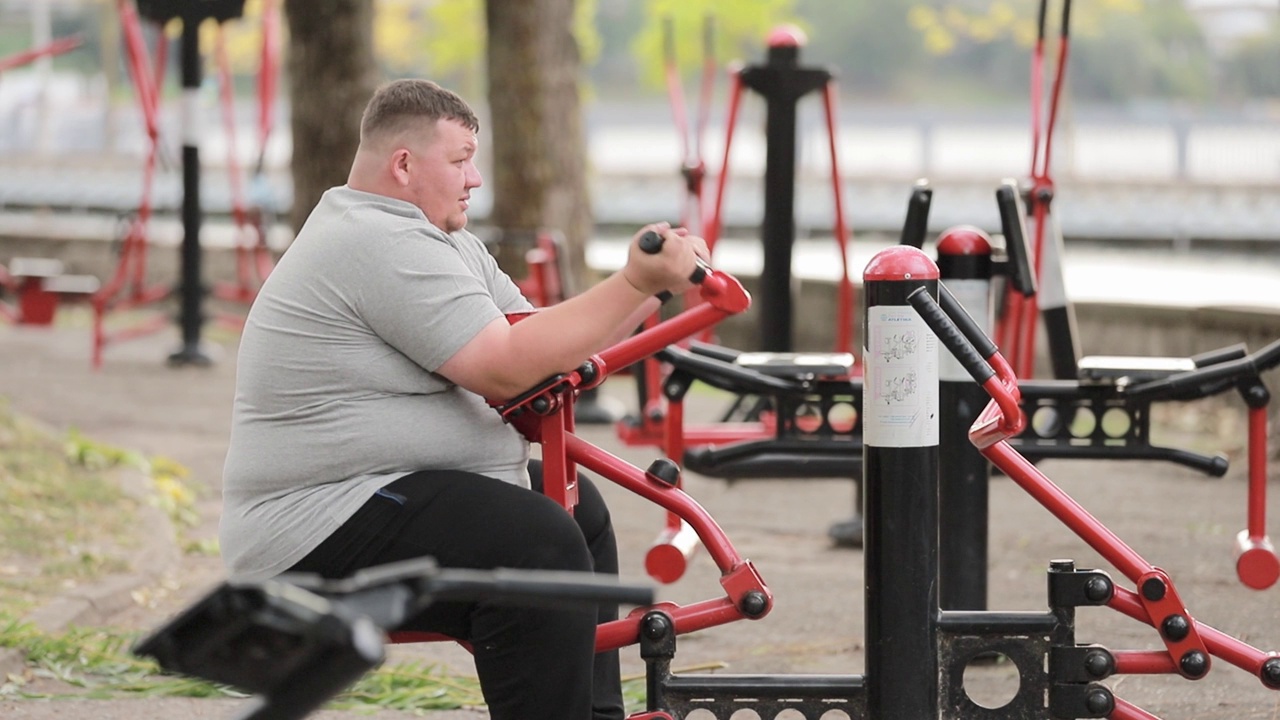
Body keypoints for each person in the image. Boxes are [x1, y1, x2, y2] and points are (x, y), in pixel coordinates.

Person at [219, 78, 707, 720]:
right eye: (460, 160)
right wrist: (635, 279)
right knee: (535, 542)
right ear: (403, 164)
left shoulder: (443, 242)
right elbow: (506, 371)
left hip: (377, 490)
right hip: (315, 523)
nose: (475, 178)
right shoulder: (374, 239)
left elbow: (541, 344)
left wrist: (653, 290)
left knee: (575, 511)